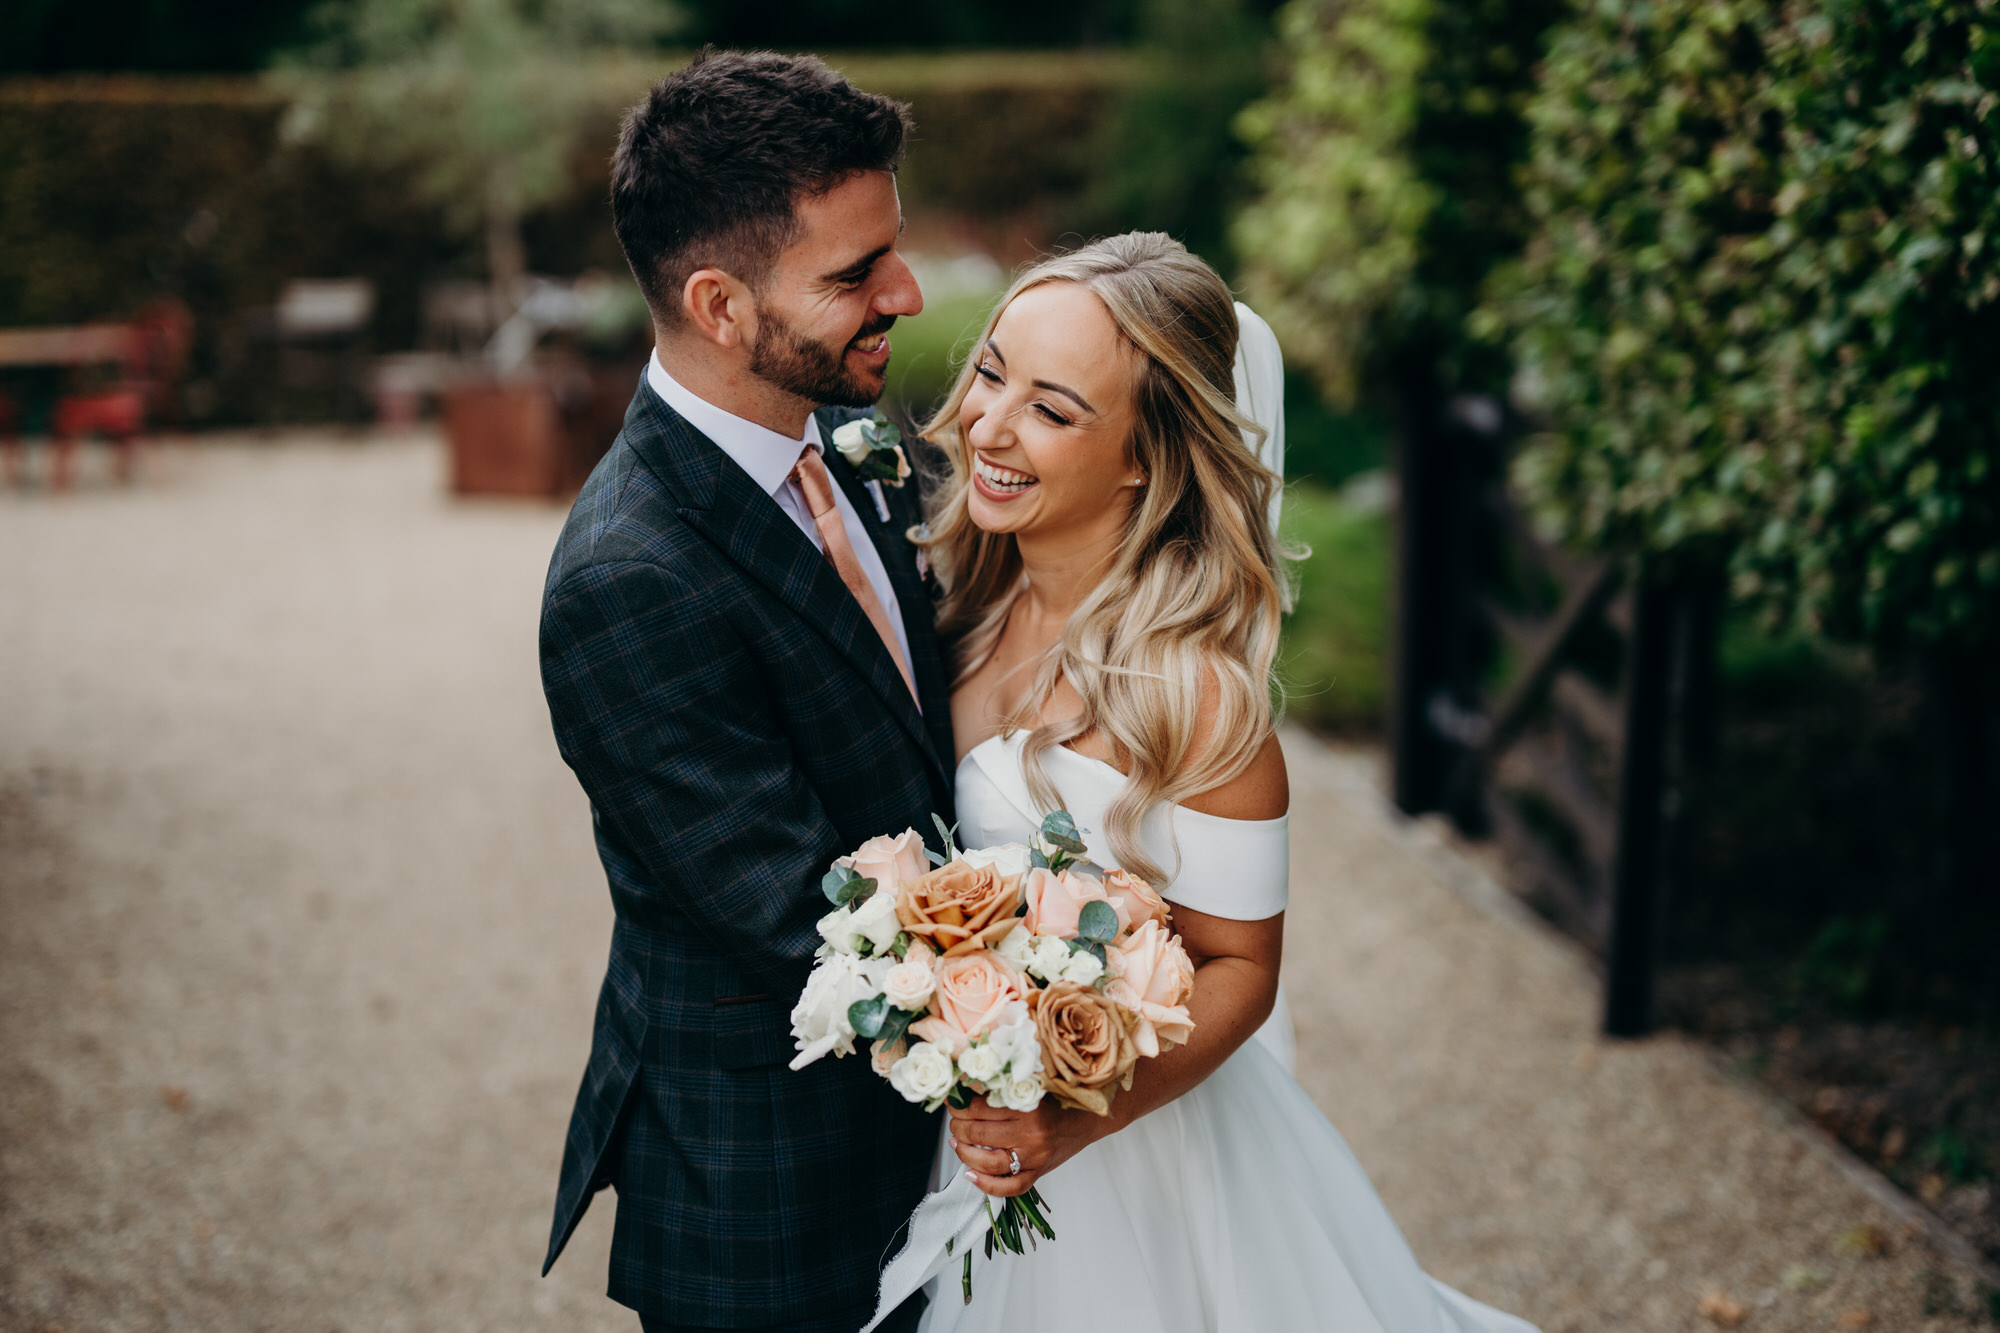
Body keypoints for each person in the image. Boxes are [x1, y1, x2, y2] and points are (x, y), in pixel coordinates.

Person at [876, 232, 1542, 1331]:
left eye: (1051, 409)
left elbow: (1239, 966)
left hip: (1132, 1164)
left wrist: (1076, 1119)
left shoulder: (1192, 696)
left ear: (1143, 454)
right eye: (990, 372)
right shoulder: (959, 602)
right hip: (964, 1134)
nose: (988, 425)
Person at [536, 51, 954, 1333]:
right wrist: (1087, 1000)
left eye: (890, 248)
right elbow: (805, 919)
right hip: (775, 1188)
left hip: (940, 1157)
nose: (907, 292)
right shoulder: (627, 578)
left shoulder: (847, 431)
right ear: (719, 306)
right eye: (851, 276)